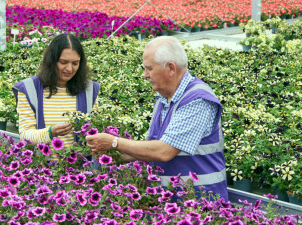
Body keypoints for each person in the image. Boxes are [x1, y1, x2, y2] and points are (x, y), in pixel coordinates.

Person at [86, 36, 228, 201]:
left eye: (149, 69)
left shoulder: (198, 99)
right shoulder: (164, 97)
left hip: (200, 204)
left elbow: (164, 151)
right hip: (172, 201)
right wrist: (117, 156)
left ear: (170, 68)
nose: (145, 75)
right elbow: (152, 148)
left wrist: (114, 142)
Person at [13, 33, 99, 160]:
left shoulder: (89, 90)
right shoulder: (29, 89)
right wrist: (50, 133)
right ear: (52, 60)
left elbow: (96, 130)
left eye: (75, 63)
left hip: (80, 174)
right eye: (63, 62)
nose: (69, 69)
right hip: (42, 173)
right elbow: (25, 136)